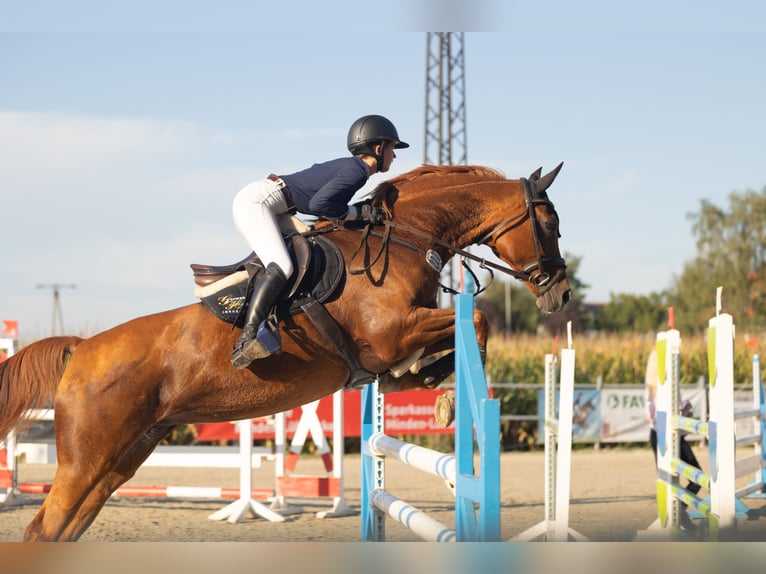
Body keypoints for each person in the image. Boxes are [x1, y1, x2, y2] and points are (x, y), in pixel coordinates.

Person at [230, 114, 409, 369]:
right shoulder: (358, 171)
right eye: (392, 148)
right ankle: (247, 337)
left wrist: (356, 213)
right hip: (258, 202)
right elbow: (320, 205)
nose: (394, 155)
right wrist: (359, 213)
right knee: (282, 265)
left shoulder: (354, 169)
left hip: (275, 204)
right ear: (378, 148)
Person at [645, 346, 701, 530]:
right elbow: (671, 413)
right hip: (670, 435)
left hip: (658, 434)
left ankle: (678, 515)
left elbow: (652, 415)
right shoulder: (664, 386)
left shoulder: (650, 388)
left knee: (669, 481)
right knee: (696, 476)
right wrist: (686, 410)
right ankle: (679, 512)